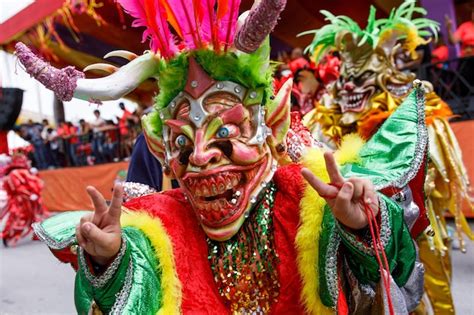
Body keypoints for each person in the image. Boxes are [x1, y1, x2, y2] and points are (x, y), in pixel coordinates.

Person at [18, 0, 424, 313]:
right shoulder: (163, 219)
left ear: (271, 126)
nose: (199, 156)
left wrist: (360, 225)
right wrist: (109, 260)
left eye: (225, 131)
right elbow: (135, 284)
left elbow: (390, 276)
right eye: (181, 141)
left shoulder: (310, 200)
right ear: (164, 147)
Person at [302, 2, 472, 313]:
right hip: (353, 222)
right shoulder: (325, 115)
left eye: (363, 74)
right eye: (348, 74)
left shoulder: (413, 113)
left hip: (414, 218)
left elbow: (434, 175)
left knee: (429, 281)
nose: (351, 84)